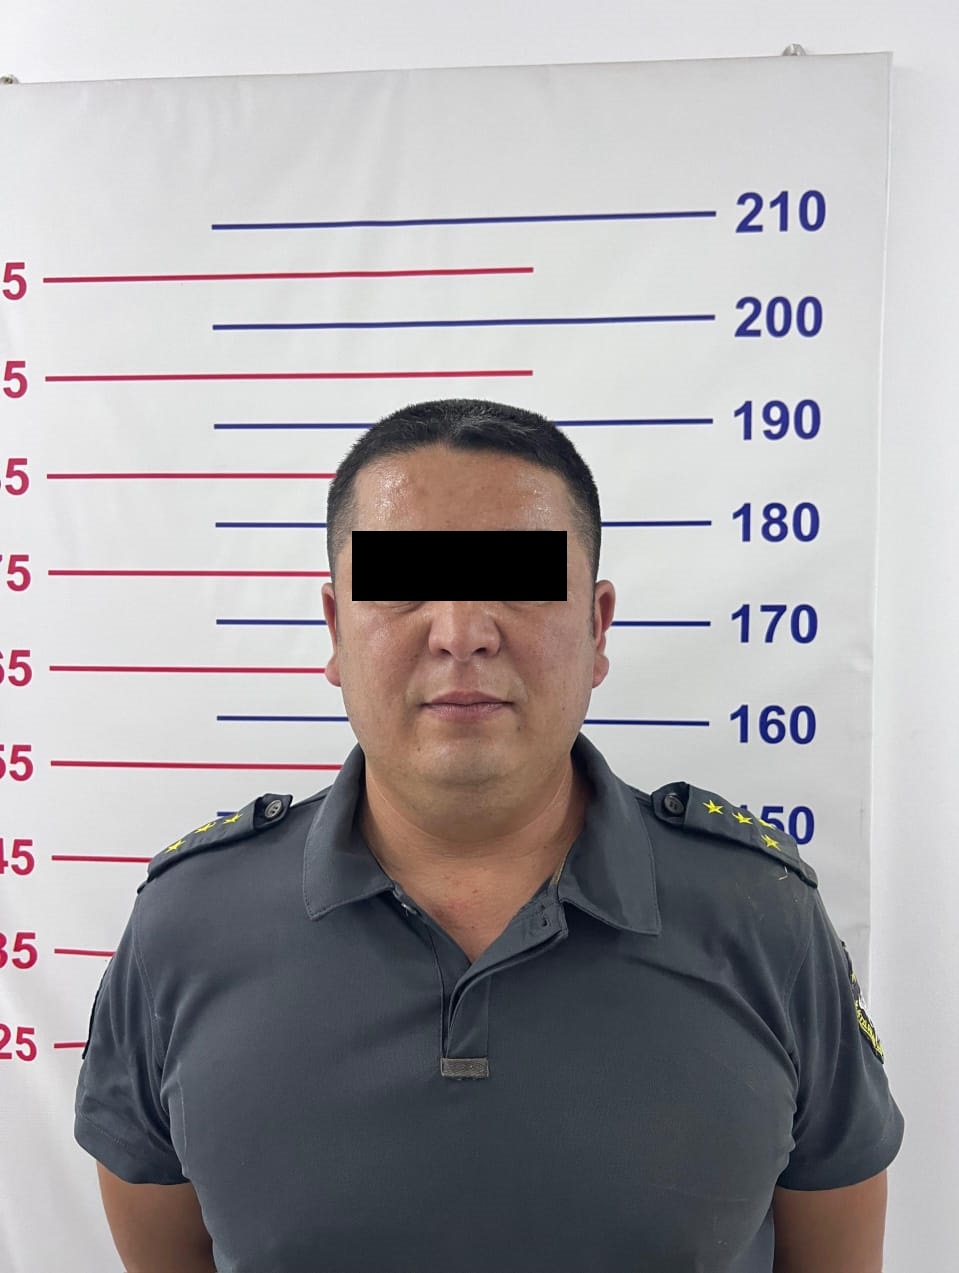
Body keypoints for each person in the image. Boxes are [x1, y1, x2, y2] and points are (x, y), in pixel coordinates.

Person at [75, 398, 904, 1273]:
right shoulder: (185, 928)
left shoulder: (763, 919)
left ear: (596, 627)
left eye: (519, 579)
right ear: (334, 628)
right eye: (402, 584)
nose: (462, 634)